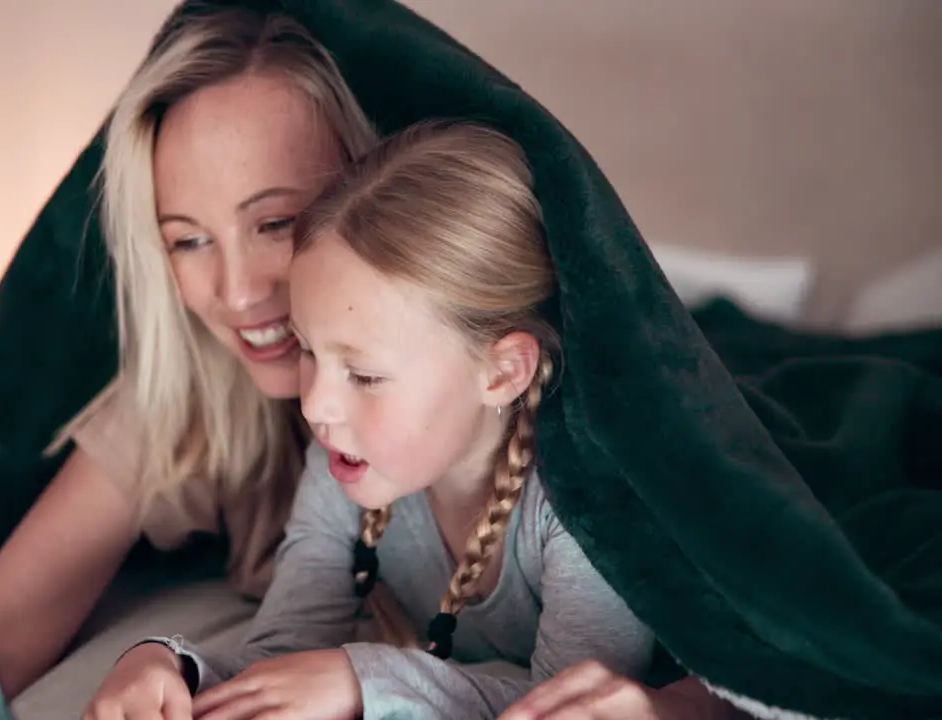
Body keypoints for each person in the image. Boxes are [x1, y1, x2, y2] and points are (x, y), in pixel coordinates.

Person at [84, 122, 750, 720]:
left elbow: (572, 704)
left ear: (502, 373)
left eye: (366, 376)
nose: (315, 405)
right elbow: (285, 654)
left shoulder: (586, 505)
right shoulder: (342, 460)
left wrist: (366, 676)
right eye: (309, 351)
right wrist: (167, 664)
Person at [0, 9, 378, 700]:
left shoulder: (485, 400)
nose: (237, 294)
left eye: (276, 224)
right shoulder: (197, 391)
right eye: (187, 240)